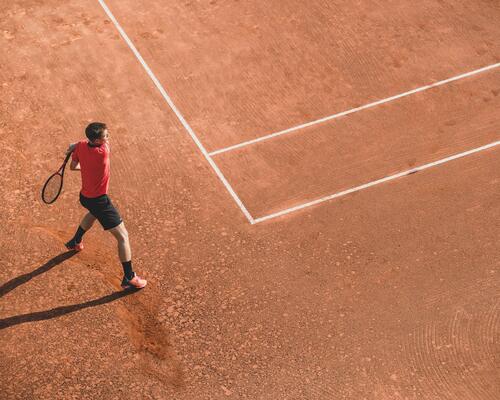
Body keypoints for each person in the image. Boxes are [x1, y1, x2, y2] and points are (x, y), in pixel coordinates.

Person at [65, 122, 147, 289]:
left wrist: (77, 150)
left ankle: (76, 241)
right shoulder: (104, 151)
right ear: (96, 141)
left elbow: (73, 167)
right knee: (123, 237)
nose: (108, 138)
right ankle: (129, 277)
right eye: (105, 136)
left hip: (85, 197)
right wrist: (76, 146)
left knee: (93, 213)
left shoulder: (81, 146)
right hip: (100, 201)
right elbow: (85, 144)